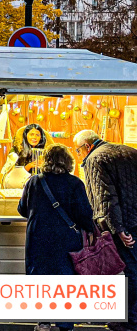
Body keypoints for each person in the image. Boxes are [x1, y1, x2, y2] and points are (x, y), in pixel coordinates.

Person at [18, 144, 95, 331]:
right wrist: (91, 230)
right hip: (66, 238)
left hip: (38, 237)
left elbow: (22, 209)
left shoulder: (34, 182)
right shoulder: (76, 184)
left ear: (46, 161)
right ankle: (65, 325)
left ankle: (43, 323)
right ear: (69, 162)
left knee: (40, 278)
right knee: (66, 279)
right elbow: (84, 214)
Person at [74, 129, 137, 331]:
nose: (79, 154)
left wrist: (117, 229)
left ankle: (129, 320)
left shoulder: (94, 159)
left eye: (77, 150)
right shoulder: (130, 151)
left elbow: (105, 199)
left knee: (131, 272)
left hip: (124, 226)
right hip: (135, 220)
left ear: (86, 146)